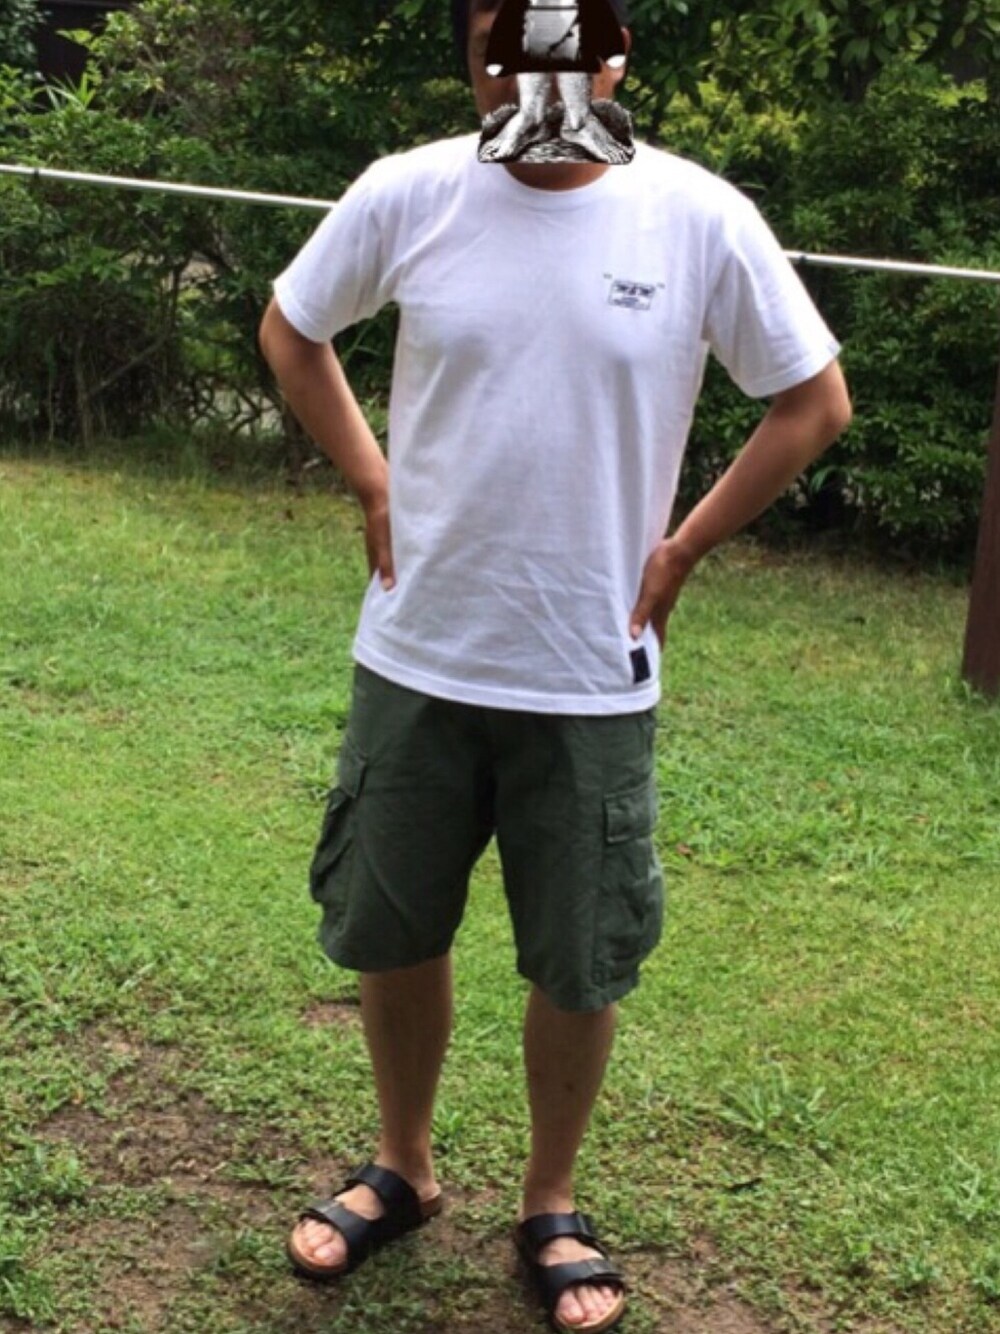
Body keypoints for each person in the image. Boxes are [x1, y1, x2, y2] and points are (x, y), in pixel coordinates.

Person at [258, 0, 852, 1328]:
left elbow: (813, 399)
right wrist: (371, 478)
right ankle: (403, 1167)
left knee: (579, 957)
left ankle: (550, 1200)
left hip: (589, 670)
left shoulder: (696, 218)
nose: (533, 76)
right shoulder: (411, 192)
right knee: (395, 928)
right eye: (503, 49)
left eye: (565, 48)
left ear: (613, 57)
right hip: (420, 652)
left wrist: (684, 547)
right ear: (472, 60)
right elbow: (292, 330)